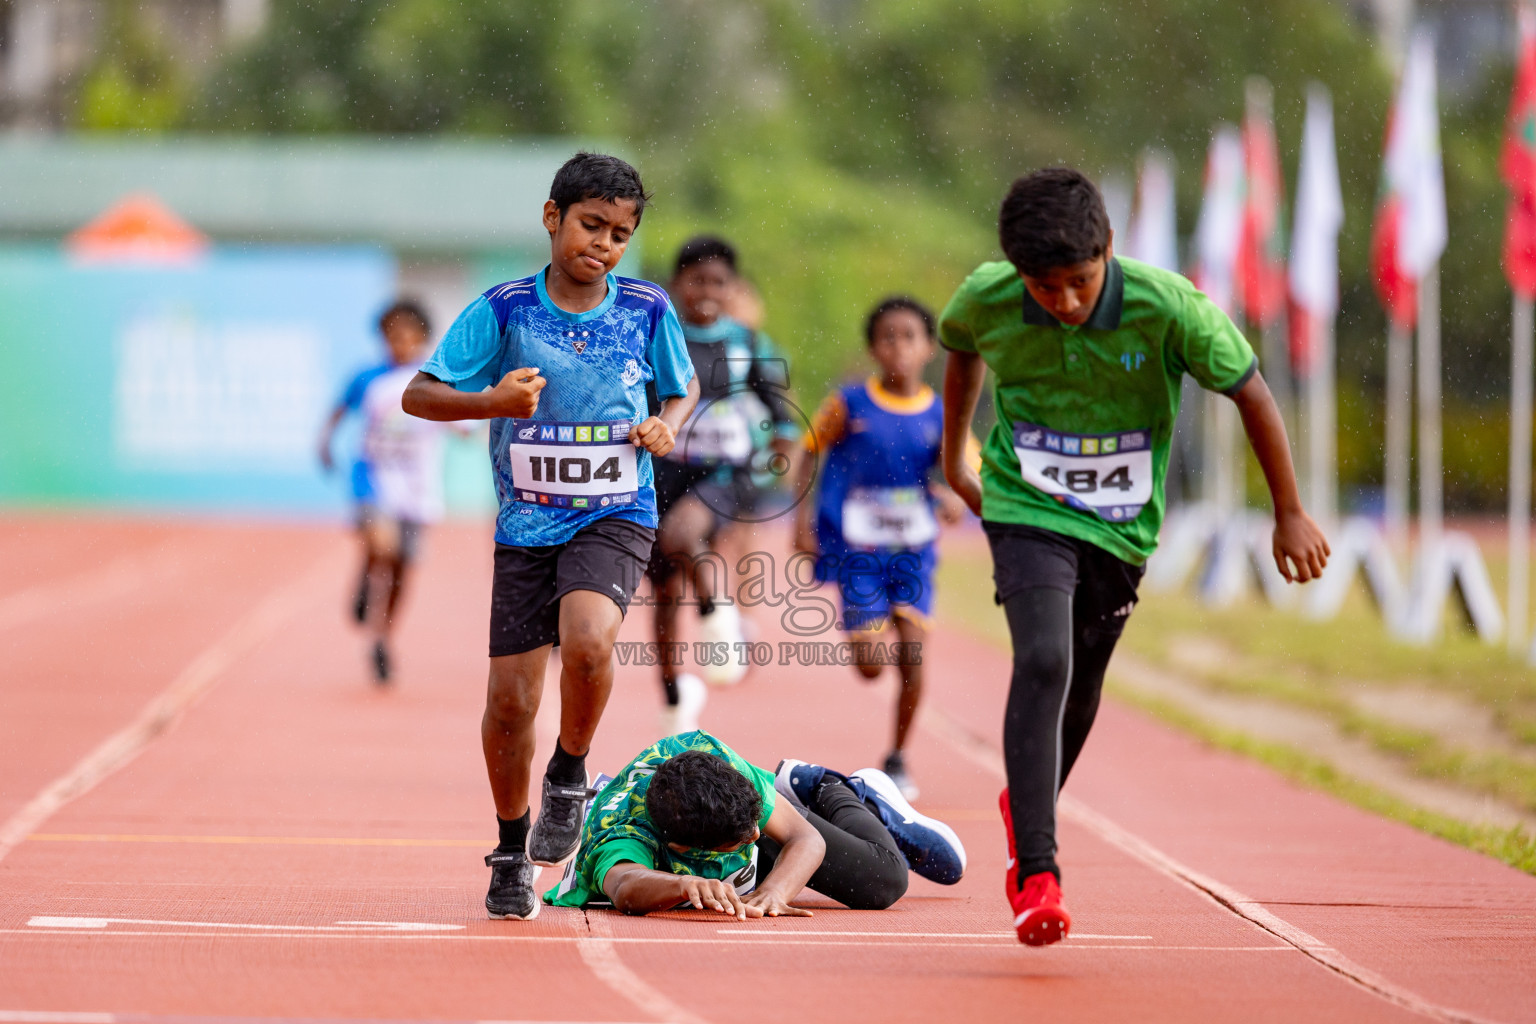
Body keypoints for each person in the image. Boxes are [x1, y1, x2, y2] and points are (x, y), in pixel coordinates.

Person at [938, 167, 1330, 947]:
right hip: (1026, 504)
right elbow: (960, 350)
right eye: (1044, 288)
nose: (1066, 303)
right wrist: (957, 458)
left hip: (1122, 526)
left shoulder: (1168, 304)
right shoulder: (987, 296)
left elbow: (1251, 392)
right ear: (1018, 273)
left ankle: (1032, 797)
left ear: (1109, 249)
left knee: (1083, 683)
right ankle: (1037, 872)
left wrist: (1288, 512)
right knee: (1043, 660)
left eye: (1080, 282)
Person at [401, 152, 700, 921]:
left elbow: (682, 384)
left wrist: (668, 424)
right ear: (552, 218)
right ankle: (509, 848)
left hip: (616, 510)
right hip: (527, 525)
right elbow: (419, 393)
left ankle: (570, 770)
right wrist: (494, 401)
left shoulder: (644, 308)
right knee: (509, 703)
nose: (603, 244)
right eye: (591, 225)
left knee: (592, 639)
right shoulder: (505, 311)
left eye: (620, 233)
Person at [793, 296, 966, 800]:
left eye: (909, 336)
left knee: (914, 656)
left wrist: (955, 497)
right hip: (858, 553)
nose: (898, 347)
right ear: (873, 347)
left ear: (929, 347)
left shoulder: (941, 410)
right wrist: (801, 523)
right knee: (871, 666)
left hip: (914, 553)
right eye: (887, 337)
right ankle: (875, 627)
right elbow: (808, 450)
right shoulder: (850, 404)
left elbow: (961, 468)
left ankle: (897, 757)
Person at [544, 731, 966, 918]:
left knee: (885, 881)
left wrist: (774, 893)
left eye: (754, 828)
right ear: (684, 852)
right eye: (741, 839)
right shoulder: (623, 837)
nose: (756, 836)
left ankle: (830, 787)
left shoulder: (708, 758)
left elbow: (805, 838)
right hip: (696, 831)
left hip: (744, 803)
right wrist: (683, 886)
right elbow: (624, 886)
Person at [648, 236, 800, 734]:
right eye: (697, 281)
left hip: (724, 473)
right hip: (661, 471)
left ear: (733, 289)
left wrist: (782, 460)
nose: (707, 291)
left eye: (719, 282)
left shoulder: (748, 344)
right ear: (677, 285)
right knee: (665, 588)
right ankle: (673, 695)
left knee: (681, 533)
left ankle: (720, 616)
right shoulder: (657, 335)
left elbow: (786, 419)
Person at [318, 300, 446, 684]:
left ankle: (382, 638)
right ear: (383, 338)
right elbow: (339, 410)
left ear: (422, 339)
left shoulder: (435, 381)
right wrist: (325, 442)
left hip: (418, 490)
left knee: (403, 571)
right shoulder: (368, 378)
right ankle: (366, 570)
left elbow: (464, 419)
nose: (401, 345)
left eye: (409, 337)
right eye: (393, 336)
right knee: (383, 546)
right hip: (372, 477)